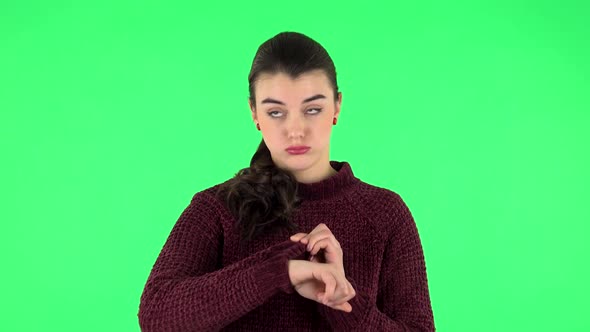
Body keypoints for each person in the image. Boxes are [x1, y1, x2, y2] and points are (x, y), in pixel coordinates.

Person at [138, 31, 435, 331]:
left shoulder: (384, 213)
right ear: (254, 113)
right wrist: (278, 272)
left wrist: (344, 304)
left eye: (313, 109)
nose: (295, 130)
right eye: (276, 112)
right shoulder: (217, 209)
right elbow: (156, 315)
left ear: (337, 107)